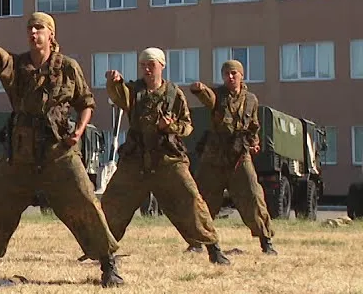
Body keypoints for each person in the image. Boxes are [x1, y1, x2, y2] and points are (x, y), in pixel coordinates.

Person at [0, 12, 124, 287]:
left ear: (51, 34)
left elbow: (86, 102)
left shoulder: (68, 67)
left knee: (84, 202)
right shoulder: (19, 65)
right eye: (30, 28)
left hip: (57, 151)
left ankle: (108, 265)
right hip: (21, 153)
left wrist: (79, 130)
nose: (33, 32)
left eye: (39, 28)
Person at [98, 49, 231, 265]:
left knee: (191, 199)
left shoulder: (173, 93)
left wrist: (170, 127)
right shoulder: (133, 91)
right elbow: (119, 97)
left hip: (167, 159)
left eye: (151, 64)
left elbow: (187, 126)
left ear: (162, 65)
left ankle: (213, 248)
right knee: (113, 201)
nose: (147, 69)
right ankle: (101, 250)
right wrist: (113, 83)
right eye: (143, 65)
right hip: (136, 159)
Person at [190, 60, 277, 255]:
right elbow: (208, 98)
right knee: (203, 199)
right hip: (214, 158)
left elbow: (253, 126)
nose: (230, 77)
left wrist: (254, 142)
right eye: (226, 74)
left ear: (241, 75)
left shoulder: (251, 100)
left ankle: (266, 241)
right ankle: (196, 242)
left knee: (254, 195)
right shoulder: (218, 95)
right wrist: (199, 90)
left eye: (233, 73)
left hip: (239, 157)